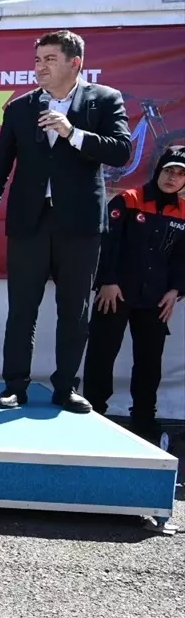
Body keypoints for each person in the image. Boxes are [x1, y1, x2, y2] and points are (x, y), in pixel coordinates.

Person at [0, 29, 131, 413]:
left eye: (49, 59)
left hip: (79, 223)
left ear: (74, 62)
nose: (39, 67)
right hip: (30, 220)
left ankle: (66, 387)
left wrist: (72, 132)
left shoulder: (104, 100)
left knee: (74, 309)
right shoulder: (20, 107)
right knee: (22, 308)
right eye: (37, 60)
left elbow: (121, 152)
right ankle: (15, 385)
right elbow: (0, 164)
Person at [82, 146, 185, 442]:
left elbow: (181, 258)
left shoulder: (183, 211)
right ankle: (95, 414)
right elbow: (107, 243)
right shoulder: (129, 199)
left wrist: (175, 290)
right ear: (159, 170)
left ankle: (143, 420)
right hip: (115, 292)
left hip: (156, 299)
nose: (172, 178)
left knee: (150, 361)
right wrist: (108, 281)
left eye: (180, 174)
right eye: (169, 171)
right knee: (102, 354)